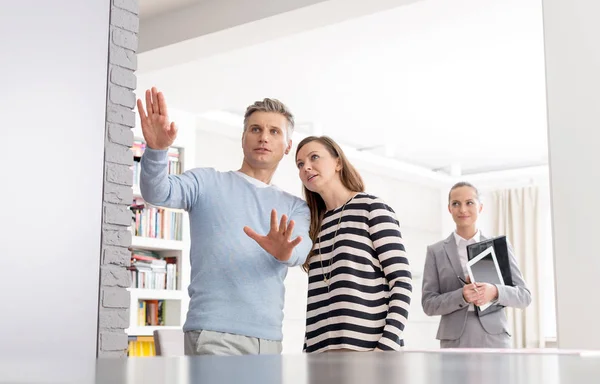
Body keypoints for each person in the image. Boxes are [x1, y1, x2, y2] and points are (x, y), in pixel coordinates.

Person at [137, 87, 312, 356]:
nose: (263, 137)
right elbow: (157, 192)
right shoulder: (206, 182)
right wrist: (157, 151)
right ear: (243, 138)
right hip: (213, 333)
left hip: (268, 340)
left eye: (274, 131)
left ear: (288, 146)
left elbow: (301, 250)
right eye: (255, 129)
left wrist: (286, 251)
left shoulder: (296, 207)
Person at [295, 136, 412, 353]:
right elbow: (320, 296)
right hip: (321, 355)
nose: (306, 167)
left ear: (338, 162)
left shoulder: (371, 208)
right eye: (300, 164)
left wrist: (385, 348)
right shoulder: (314, 226)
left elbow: (402, 282)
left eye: (314, 157)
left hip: (370, 351)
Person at [421, 182, 532, 348]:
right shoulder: (435, 251)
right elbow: (429, 304)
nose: (463, 209)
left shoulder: (499, 247)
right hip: (454, 341)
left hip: (494, 339)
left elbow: (524, 297)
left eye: (469, 203)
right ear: (449, 209)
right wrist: (462, 296)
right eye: (456, 204)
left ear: (480, 207)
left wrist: (494, 291)